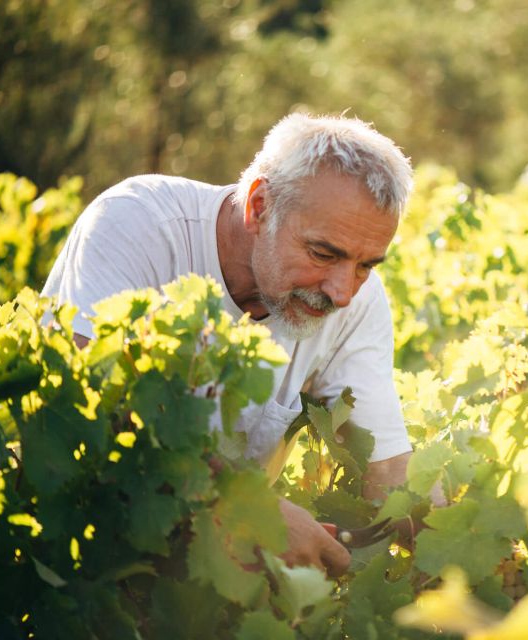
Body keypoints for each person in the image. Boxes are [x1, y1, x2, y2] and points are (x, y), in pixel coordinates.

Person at [41, 113, 415, 576]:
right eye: (323, 253)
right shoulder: (139, 223)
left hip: (204, 579)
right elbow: (92, 399)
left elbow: (387, 468)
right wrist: (250, 507)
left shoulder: (357, 302)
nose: (342, 292)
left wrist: (484, 558)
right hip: (66, 554)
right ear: (258, 205)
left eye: (365, 266)